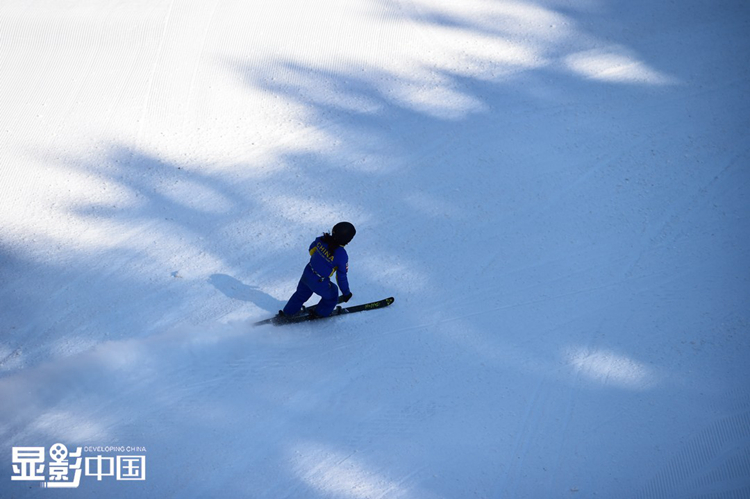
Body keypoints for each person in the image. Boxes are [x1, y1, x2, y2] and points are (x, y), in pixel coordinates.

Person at [279, 222, 356, 320]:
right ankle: (320, 313)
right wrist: (346, 293)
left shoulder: (322, 239)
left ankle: (288, 312)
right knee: (332, 295)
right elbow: (341, 277)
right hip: (319, 281)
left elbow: (311, 250)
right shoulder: (341, 255)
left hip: (308, 272)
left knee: (300, 294)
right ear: (347, 240)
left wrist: (321, 259)